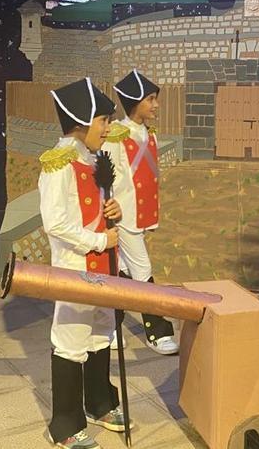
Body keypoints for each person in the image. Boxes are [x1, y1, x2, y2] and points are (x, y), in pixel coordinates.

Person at [40, 78, 131, 449]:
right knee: (70, 341)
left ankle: (99, 403)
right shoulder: (58, 164)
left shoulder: (94, 159)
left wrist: (114, 211)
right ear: (80, 121)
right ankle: (64, 423)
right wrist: (98, 240)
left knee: (100, 334)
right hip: (76, 266)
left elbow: (95, 208)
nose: (108, 130)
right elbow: (56, 223)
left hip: (104, 266)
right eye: (103, 121)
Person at [101, 69, 179, 355]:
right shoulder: (117, 135)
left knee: (122, 271)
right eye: (151, 99)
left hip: (140, 213)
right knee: (142, 269)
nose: (156, 105)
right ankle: (157, 331)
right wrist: (112, 205)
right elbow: (107, 176)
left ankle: (108, 325)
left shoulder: (147, 134)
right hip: (123, 216)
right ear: (135, 103)